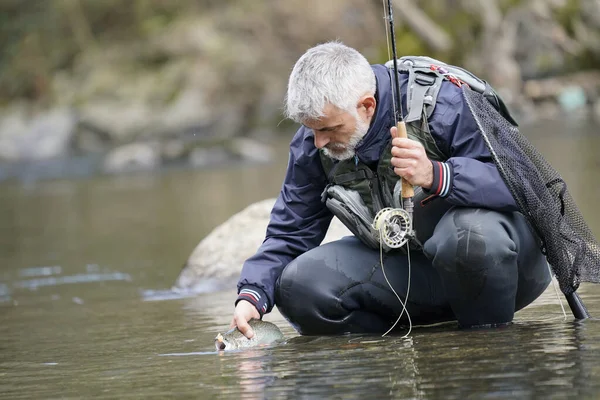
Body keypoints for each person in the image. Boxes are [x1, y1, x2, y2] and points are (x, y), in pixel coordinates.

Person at [229, 41, 551, 337]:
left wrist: (436, 174)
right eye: (311, 130)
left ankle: (490, 344)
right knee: (299, 285)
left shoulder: (445, 105)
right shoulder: (316, 142)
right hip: (412, 276)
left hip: (504, 270)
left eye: (329, 129)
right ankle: (396, 355)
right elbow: (290, 231)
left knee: (468, 236)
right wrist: (252, 295)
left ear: (366, 106)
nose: (318, 142)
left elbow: (529, 185)